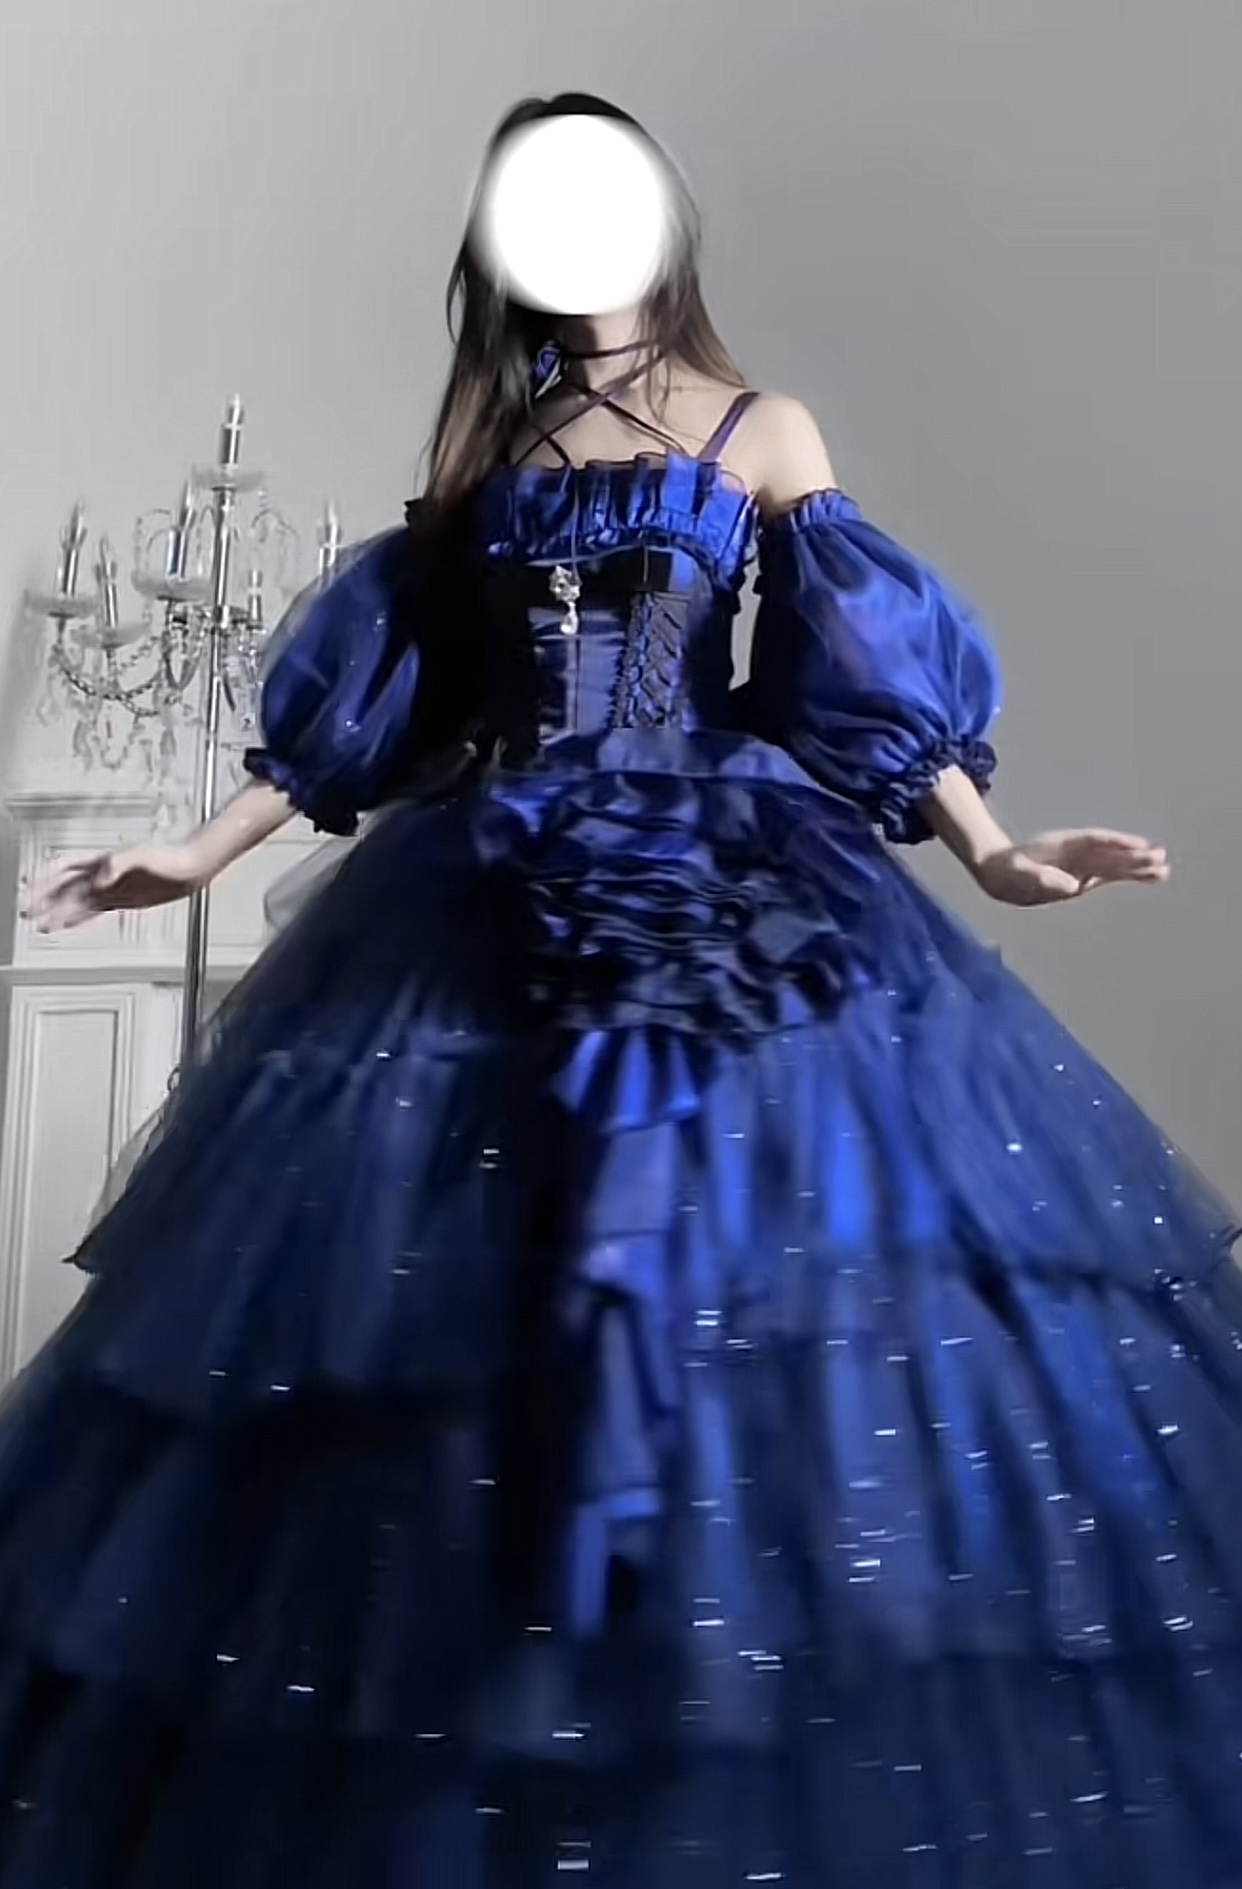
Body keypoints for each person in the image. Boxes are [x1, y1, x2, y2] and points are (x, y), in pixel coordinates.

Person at [10, 90, 1242, 1888]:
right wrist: (197, 852)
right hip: (482, 880)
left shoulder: (761, 427)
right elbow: (399, 688)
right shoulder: (487, 440)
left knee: (735, 1298)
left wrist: (990, 851)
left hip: (731, 885)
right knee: (457, 1314)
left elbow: (850, 664)